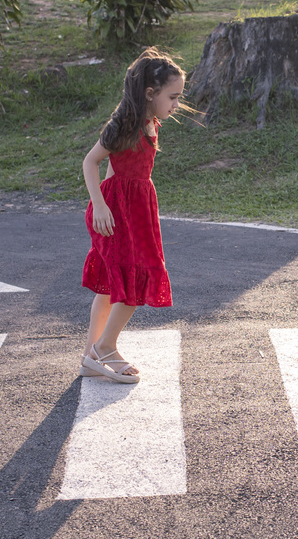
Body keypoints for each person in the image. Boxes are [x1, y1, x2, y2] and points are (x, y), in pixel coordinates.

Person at [79, 48, 186, 383]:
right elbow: (90, 161)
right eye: (173, 97)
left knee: (114, 285)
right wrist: (99, 204)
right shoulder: (124, 125)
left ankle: (91, 356)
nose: (176, 105)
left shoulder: (150, 122)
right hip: (115, 209)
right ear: (150, 94)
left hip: (138, 207)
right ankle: (106, 347)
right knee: (133, 279)